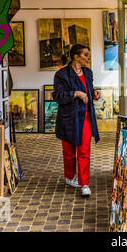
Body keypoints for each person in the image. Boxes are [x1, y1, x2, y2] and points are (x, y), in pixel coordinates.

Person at [53, 44, 100, 196]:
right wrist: (76, 93)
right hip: (68, 117)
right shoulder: (61, 74)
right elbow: (58, 96)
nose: (88, 58)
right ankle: (69, 176)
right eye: (86, 55)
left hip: (85, 117)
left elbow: (89, 90)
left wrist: (94, 94)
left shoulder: (88, 72)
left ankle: (84, 183)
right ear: (76, 56)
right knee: (68, 152)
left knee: (84, 151)